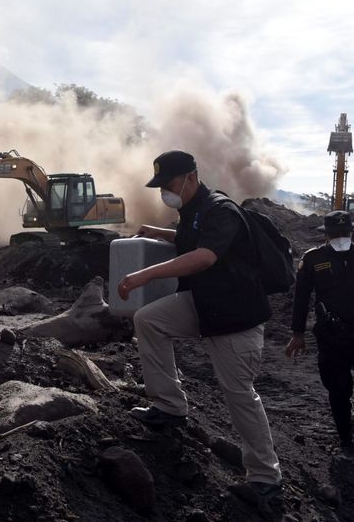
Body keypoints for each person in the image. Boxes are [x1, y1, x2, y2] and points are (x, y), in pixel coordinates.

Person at [117, 150, 282, 501]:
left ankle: (266, 478)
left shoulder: (221, 209)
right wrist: (158, 232)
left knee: (238, 396)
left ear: (191, 177)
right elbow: (188, 238)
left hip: (236, 317)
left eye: (170, 184)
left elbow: (204, 256)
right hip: (206, 305)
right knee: (149, 320)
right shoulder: (192, 211)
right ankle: (169, 406)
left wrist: (143, 275)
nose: (165, 192)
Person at [287, 210, 354, 456]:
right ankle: (346, 441)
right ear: (326, 235)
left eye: (344, 232)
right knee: (338, 389)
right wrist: (298, 332)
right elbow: (301, 299)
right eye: (335, 233)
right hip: (332, 337)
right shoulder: (314, 259)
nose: (340, 237)